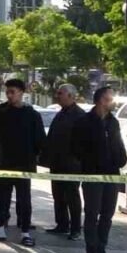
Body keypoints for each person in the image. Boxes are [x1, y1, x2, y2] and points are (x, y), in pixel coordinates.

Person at [73, 86, 127, 253]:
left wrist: (120, 159)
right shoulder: (84, 121)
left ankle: (101, 248)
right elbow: (76, 148)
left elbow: (118, 143)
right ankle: (91, 249)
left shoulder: (113, 122)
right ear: (101, 100)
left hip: (112, 174)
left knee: (107, 214)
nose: (112, 102)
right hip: (93, 175)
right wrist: (89, 162)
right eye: (110, 98)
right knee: (91, 213)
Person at [0, 78, 46, 247]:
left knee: (24, 199)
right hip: (4, 163)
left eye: (12, 92)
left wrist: (36, 157)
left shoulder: (32, 115)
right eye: (7, 92)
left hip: (24, 164)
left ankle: (25, 232)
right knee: (0, 197)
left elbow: (40, 140)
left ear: (21, 93)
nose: (9, 95)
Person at [42, 84, 83, 240]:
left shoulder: (79, 115)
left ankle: (75, 228)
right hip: (57, 162)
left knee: (72, 196)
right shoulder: (60, 114)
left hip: (72, 164)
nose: (57, 96)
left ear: (70, 96)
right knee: (58, 194)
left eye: (60, 93)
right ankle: (62, 224)